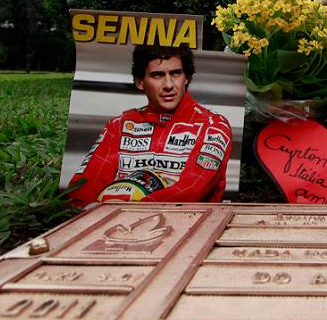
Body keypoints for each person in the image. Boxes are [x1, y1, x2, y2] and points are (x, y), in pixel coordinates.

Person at [68, 44, 232, 208]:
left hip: (186, 225)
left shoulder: (214, 126)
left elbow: (190, 191)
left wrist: (124, 211)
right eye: (157, 75)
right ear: (140, 82)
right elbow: (82, 189)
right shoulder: (120, 125)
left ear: (186, 78)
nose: (168, 85)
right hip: (112, 225)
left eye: (175, 74)